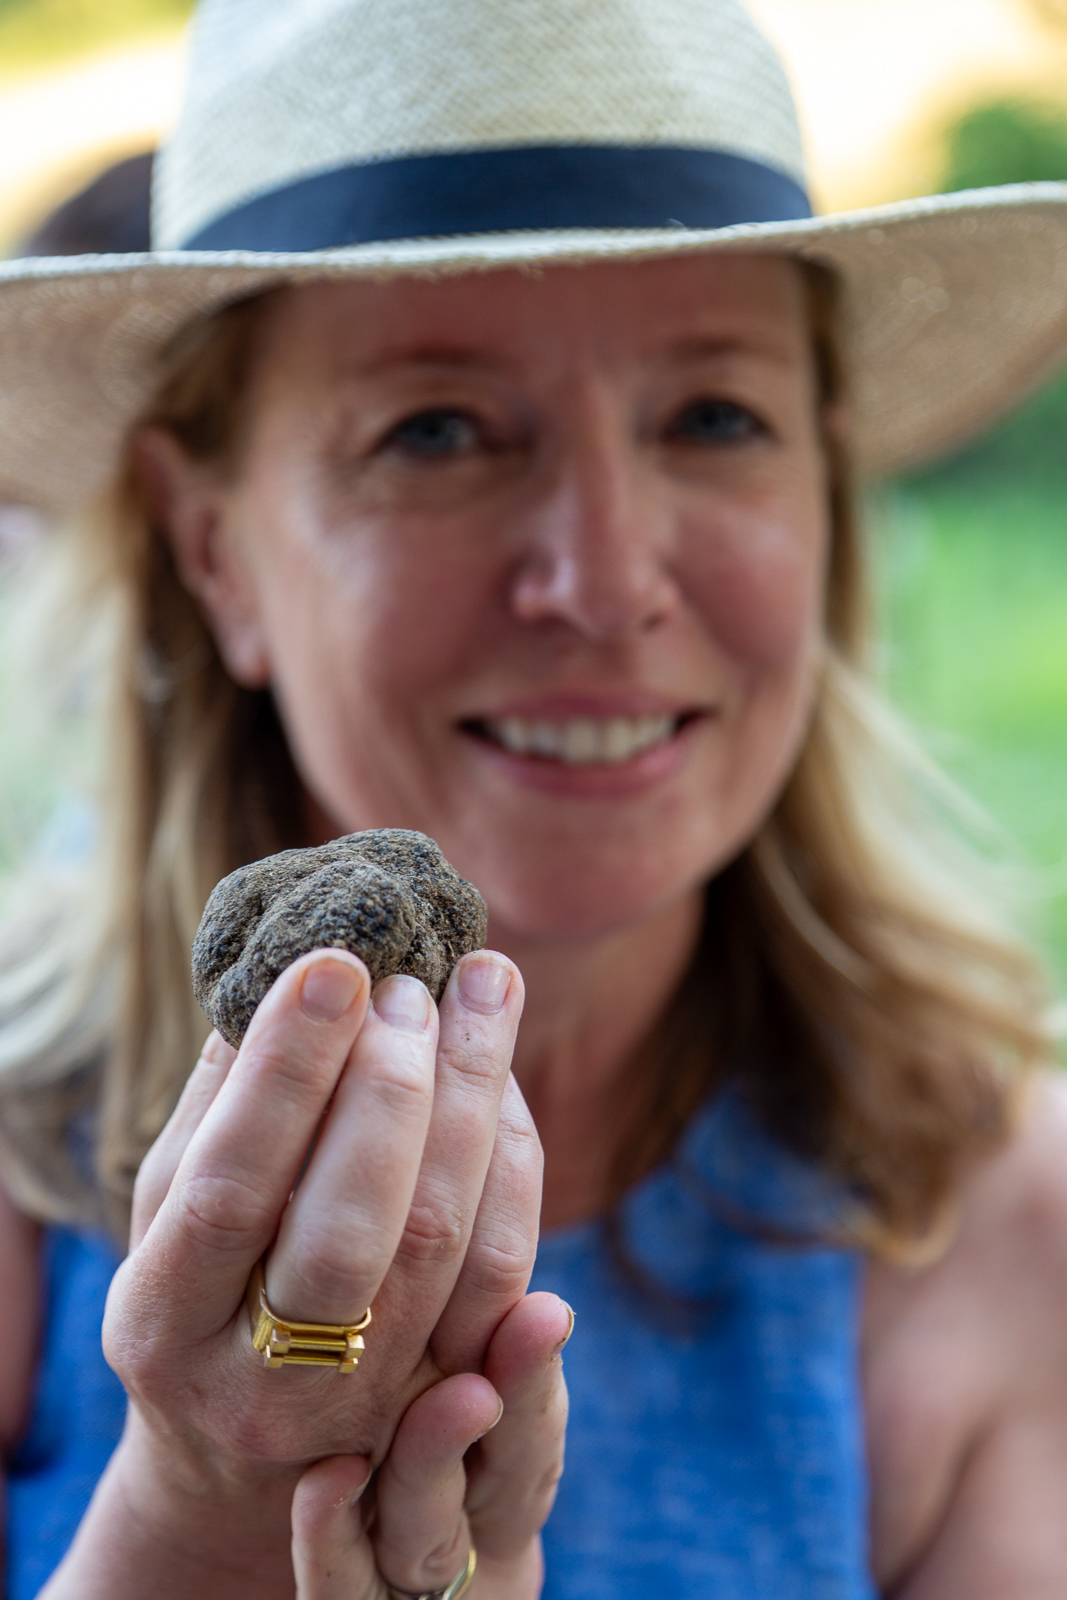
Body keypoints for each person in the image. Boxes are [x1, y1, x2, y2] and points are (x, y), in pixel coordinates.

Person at [0, 1, 1066, 1595]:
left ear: (824, 498)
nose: (606, 579)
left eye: (716, 417)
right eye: (437, 430)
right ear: (212, 545)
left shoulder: (1003, 1228)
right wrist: (205, 1509)